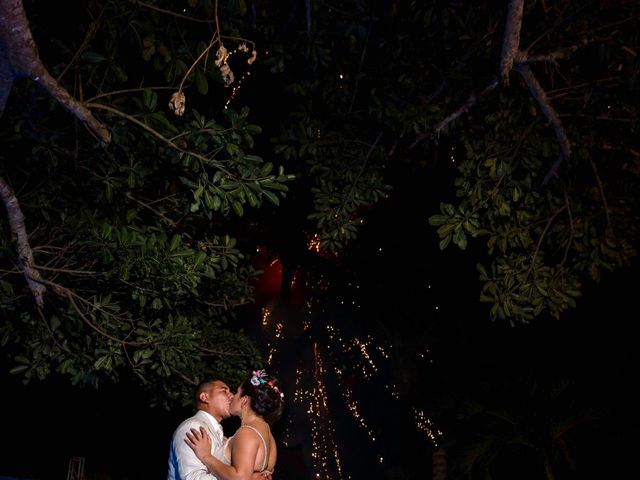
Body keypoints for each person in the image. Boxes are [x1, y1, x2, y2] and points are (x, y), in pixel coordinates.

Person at [185, 369, 285, 480]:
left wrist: (206, 456)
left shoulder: (247, 432)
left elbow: (240, 477)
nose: (232, 396)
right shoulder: (269, 436)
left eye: (237, 392)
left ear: (244, 400)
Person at [167, 378, 272, 480]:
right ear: (204, 397)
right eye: (224, 391)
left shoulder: (220, 433)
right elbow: (192, 477)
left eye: (231, 392)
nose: (231, 395)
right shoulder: (192, 428)